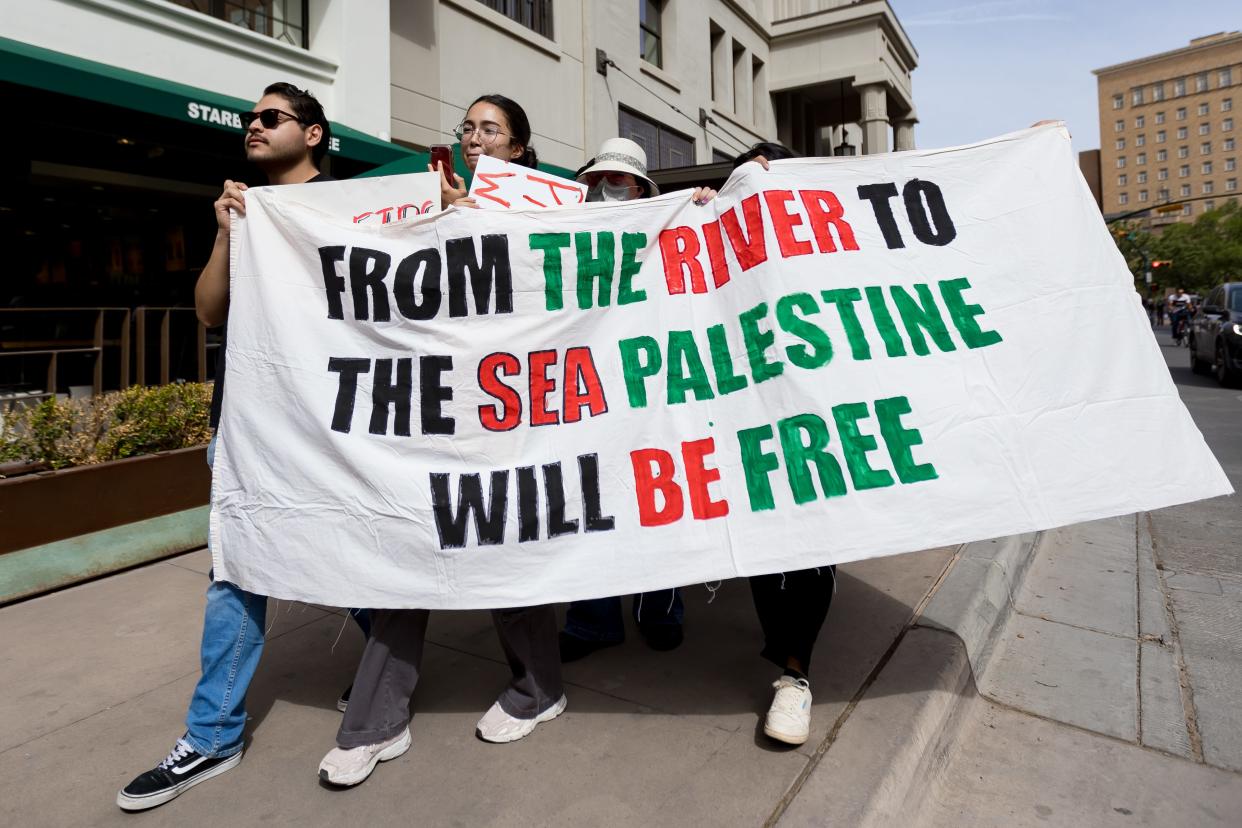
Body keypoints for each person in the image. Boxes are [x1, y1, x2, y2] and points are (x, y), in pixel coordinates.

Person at [117, 84, 372, 812]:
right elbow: (207, 312)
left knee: (354, 556)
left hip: (331, 425)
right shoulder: (247, 212)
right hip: (249, 425)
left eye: (270, 118)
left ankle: (389, 668)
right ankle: (214, 732)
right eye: (248, 120)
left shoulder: (345, 212)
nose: (252, 128)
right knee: (239, 571)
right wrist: (227, 231)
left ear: (315, 134)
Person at [317, 94, 566, 788]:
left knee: (506, 559)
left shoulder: (549, 209)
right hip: (429, 412)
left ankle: (538, 688)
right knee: (405, 552)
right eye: (468, 128)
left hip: (510, 420)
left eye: (491, 130)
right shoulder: (427, 204)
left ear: (518, 148)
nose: (475, 138)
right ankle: (375, 722)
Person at [555, 138, 715, 663]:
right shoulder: (568, 226)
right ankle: (592, 619)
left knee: (657, 495)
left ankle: (660, 608)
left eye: (617, 180)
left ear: (642, 186)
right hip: (588, 389)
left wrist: (707, 209)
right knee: (591, 501)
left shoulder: (671, 223)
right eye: (597, 179)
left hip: (652, 383)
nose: (605, 188)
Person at [730, 141, 840, 746]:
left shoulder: (824, 233)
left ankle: (794, 677)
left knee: (812, 547)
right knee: (765, 550)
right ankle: (785, 646)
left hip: (814, 412)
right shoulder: (718, 223)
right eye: (752, 174)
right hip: (748, 414)